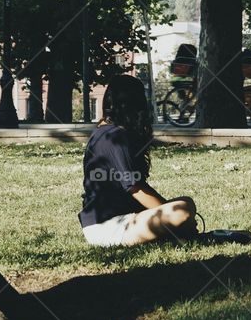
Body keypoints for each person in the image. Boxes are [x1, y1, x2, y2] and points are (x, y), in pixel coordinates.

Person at [79, 74, 198, 247]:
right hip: (110, 226)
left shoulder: (105, 132)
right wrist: (171, 216)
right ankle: (175, 232)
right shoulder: (114, 136)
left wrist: (164, 209)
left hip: (121, 219)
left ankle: (172, 230)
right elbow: (136, 188)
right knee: (182, 211)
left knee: (185, 202)